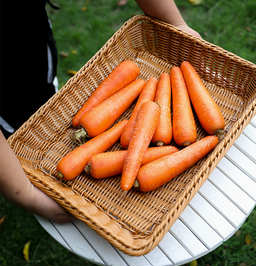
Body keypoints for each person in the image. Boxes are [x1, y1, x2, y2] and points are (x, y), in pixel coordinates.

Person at [0, 0, 200, 223]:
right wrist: (26, 195)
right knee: (15, 132)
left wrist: (176, 24)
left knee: (43, 99)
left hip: (33, 50)